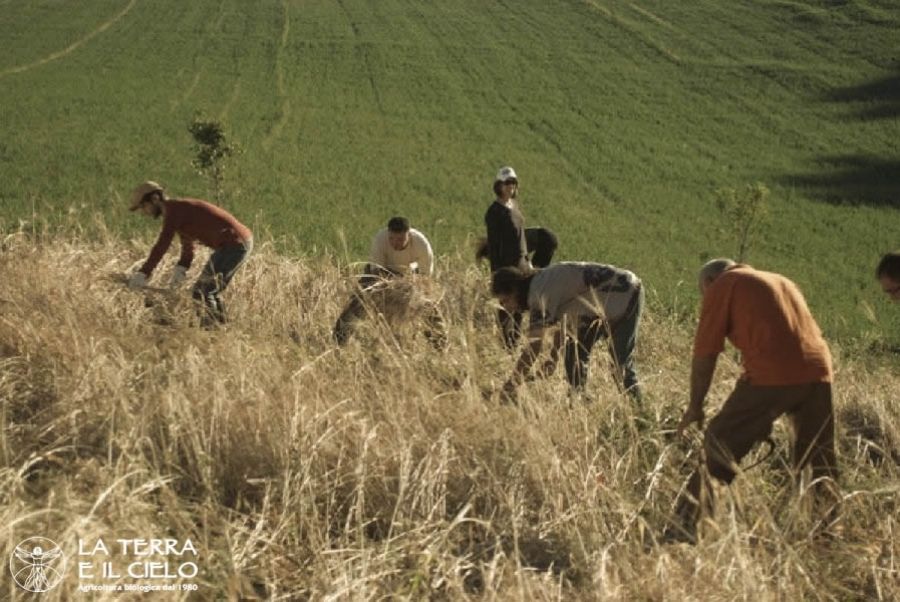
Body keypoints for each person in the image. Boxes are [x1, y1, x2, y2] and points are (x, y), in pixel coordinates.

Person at [670, 259, 838, 542]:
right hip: (819, 371)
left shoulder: (724, 285)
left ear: (710, 283)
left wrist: (696, 406)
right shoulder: (781, 280)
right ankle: (825, 535)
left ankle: (685, 528)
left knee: (719, 444)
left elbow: (705, 353)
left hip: (773, 372)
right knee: (817, 460)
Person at [490, 261, 643, 401]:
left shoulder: (539, 295)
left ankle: (638, 410)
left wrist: (510, 385)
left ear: (515, 290)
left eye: (505, 301)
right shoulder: (542, 281)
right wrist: (554, 356)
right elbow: (567, 318)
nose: (506, 308)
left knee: (620, 364)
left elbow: (533, 348)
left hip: (627, 294)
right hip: (608, 296)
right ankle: (579, 401)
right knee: (574, 351)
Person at [126, 181, 253, 326]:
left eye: (143, 206)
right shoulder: (178, 211)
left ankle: (211, 334)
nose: (144, 212)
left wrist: (143, 273)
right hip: (237, 243)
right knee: (209, 291)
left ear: (155, 198)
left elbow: (162, 244)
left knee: (202, 293)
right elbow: (188, 247)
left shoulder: (174, 212)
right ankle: (222, 329)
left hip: (234, 245)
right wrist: (180, 270)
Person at [333, 217, 444, 347]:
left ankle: (439, 342)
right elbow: (377, 273)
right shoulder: (380, 239)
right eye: (392, 239)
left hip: (409, 274)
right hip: (381, 272)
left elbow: (425, 277)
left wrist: (412, 289)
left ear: (409, 235)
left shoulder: (422, 244)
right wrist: (389, 289)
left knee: (427, 305)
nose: (395, 243)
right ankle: (339, 339)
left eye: (400, 239)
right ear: (388, 234)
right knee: (359, 300)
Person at [480, 166, 558, 349]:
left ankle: (514, 345)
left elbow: (521, 236)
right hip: (506, 267)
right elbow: (494, 244)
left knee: (519, 304)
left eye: (513, 183)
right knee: (508, 305)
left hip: (520, 264)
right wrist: (498, 274)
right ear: (498, 185)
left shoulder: (513, 206)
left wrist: (527, 261)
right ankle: (507, 345)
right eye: (506, 183)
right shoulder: (494, 212)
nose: (510, 187)